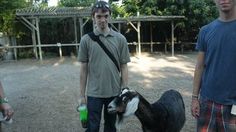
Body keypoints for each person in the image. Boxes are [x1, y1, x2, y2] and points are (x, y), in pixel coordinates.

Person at [78, 1, 130, 132]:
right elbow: (83, 69)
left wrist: (125, 90)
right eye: (99, 16)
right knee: (92, 127)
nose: (103, 20)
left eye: (106, 16)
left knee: (111, 127)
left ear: (110, 16)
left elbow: (124, 66)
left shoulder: (120, 39)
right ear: (93, 17)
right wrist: (81, 95)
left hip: (114, 93)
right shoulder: (86, 40)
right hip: (94, 93)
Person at [191, 0, 236, 131]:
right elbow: (199, 66)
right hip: (206, 102)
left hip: (233, 106)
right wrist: (195, 98)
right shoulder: (205, 31)